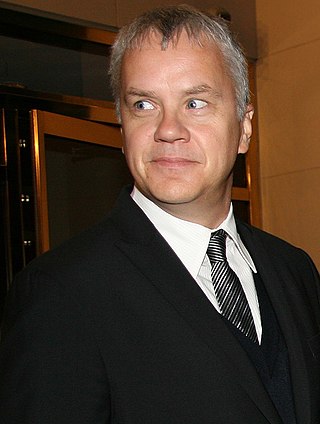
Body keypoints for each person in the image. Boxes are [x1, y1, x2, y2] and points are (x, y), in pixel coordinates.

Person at [0, 5, 319, 424]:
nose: (169, 129)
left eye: (195, 102)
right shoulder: (62, 292)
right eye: (144, 105)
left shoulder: (295, 269)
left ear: (244, 127)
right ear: (121, 124)